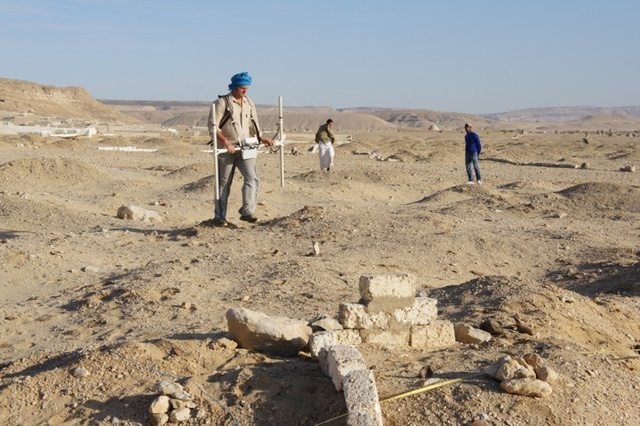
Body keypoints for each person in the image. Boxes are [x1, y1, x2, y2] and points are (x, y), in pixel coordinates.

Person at [207, 72, 274, 227]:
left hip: (246, 147)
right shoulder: (222, 103)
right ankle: (220, 216)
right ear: (235, 87)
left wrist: (262, 138)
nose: (245, 91)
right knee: (224, 183)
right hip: (227, 149)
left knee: (253, 178)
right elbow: (213, 127)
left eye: (247, 88)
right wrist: (226, 143)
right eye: (242, 88)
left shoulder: (249, 102)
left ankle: (247, 211)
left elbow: (254, 125)